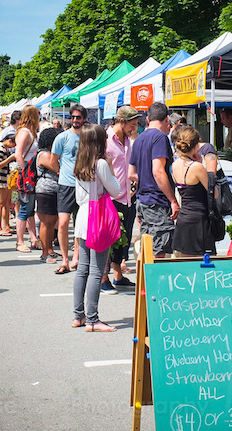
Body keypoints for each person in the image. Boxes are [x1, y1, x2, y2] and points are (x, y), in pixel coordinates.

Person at [72, 124, 120, 332]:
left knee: (83, 269)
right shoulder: (100, 164)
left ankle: (78, 315)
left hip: (83, 215)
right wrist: (110, 168)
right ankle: (92, 319)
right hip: (98, 218)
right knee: (96, 270)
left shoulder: (80, 163)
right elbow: (116, 190)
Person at [128, 102, 178, 258]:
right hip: (157, 202)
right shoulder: (160, 138)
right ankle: (155, 282)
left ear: (148, 119)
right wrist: (173, 200)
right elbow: (158, 171)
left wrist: (145, 179)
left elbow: (131, 173)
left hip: (142, 201)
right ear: (167, 119)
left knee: (147, 250)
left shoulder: (139, 139)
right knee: (159, 252)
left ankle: (145, 282)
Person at [102, 106, 140, 290]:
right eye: (132, 124)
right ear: (121, 122)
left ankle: (118, 275)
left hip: (128, 196)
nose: (135, 128)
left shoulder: (128, 140)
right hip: (112, 196)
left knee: (122, 239)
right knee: (108, 240)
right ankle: (103, 279)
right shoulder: (106, 140)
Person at [51, 105, 87, 274]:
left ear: (84, 119)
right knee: (63, 223)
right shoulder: (62, 138)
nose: (75, 120)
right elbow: (53, 161)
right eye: (72, 117)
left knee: (80, 224)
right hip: (66, 185)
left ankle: (77, 256)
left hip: (84, 185)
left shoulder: (88, 138)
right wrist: (62, 172)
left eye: (78, 117)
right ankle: (65, 258)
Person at [171, 126, 216, 256]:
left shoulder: (174, 165)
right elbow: (214, 192)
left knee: (186, 262)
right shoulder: (197, 167)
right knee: (206, 262)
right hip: (199, 218)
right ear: (196, 146)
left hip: (184, 217)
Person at [14, 105, 40, 253]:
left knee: (29, 208)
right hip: (27, 175)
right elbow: (18, 154)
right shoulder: (25, 132)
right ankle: (20, 241)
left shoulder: (27, 131)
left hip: (28, 174)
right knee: (25, 209)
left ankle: (33, 238)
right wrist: (26, 172)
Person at [35, 127, 61, 263]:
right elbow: (57, 169)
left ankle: (50, 250)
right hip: (46, 191)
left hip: (53, 191)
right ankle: (45, 252)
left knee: (51, 222)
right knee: (46, 222)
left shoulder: (49, 153)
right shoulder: (44, 154)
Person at [0, 132, 16, 236]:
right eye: (14, 144)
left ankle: (6, 226)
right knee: (0, 203)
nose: (14, 147)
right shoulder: (0, 148)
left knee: (6, 202)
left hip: (4, 177)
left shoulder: (4, 148)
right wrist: (10, 158)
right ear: (9, 141)